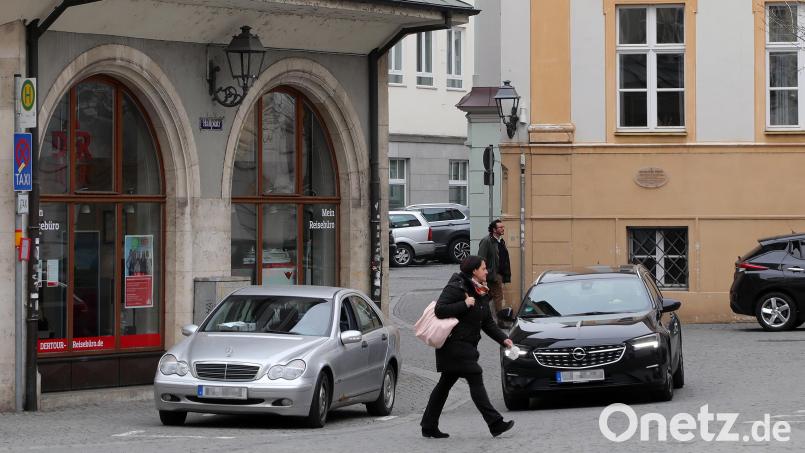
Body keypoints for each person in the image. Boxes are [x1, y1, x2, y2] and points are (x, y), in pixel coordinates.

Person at [420, 255, 515, 439]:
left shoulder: (480, 291)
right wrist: (464, 304)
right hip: (454, 345)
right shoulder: (457, 286)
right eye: (484, 268)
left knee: (444, 385)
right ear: (474, 271)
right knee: (475, 378)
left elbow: (487, 322)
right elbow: (440, 309)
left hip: (466, 345)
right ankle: (495, 423)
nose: (486, 271)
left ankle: (428, 425)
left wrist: (504, 340)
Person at [478, 219, 511, 314]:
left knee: (489, 297)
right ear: (494, 229)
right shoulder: (486, 241)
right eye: (500, 227)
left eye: (503, 227)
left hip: (498, 274)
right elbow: (481, 259)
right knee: (498, 297)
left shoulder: (500, 241)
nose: (502, 229)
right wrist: (484, 276)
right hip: (492, 274)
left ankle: (481, 317)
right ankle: (500, 321)